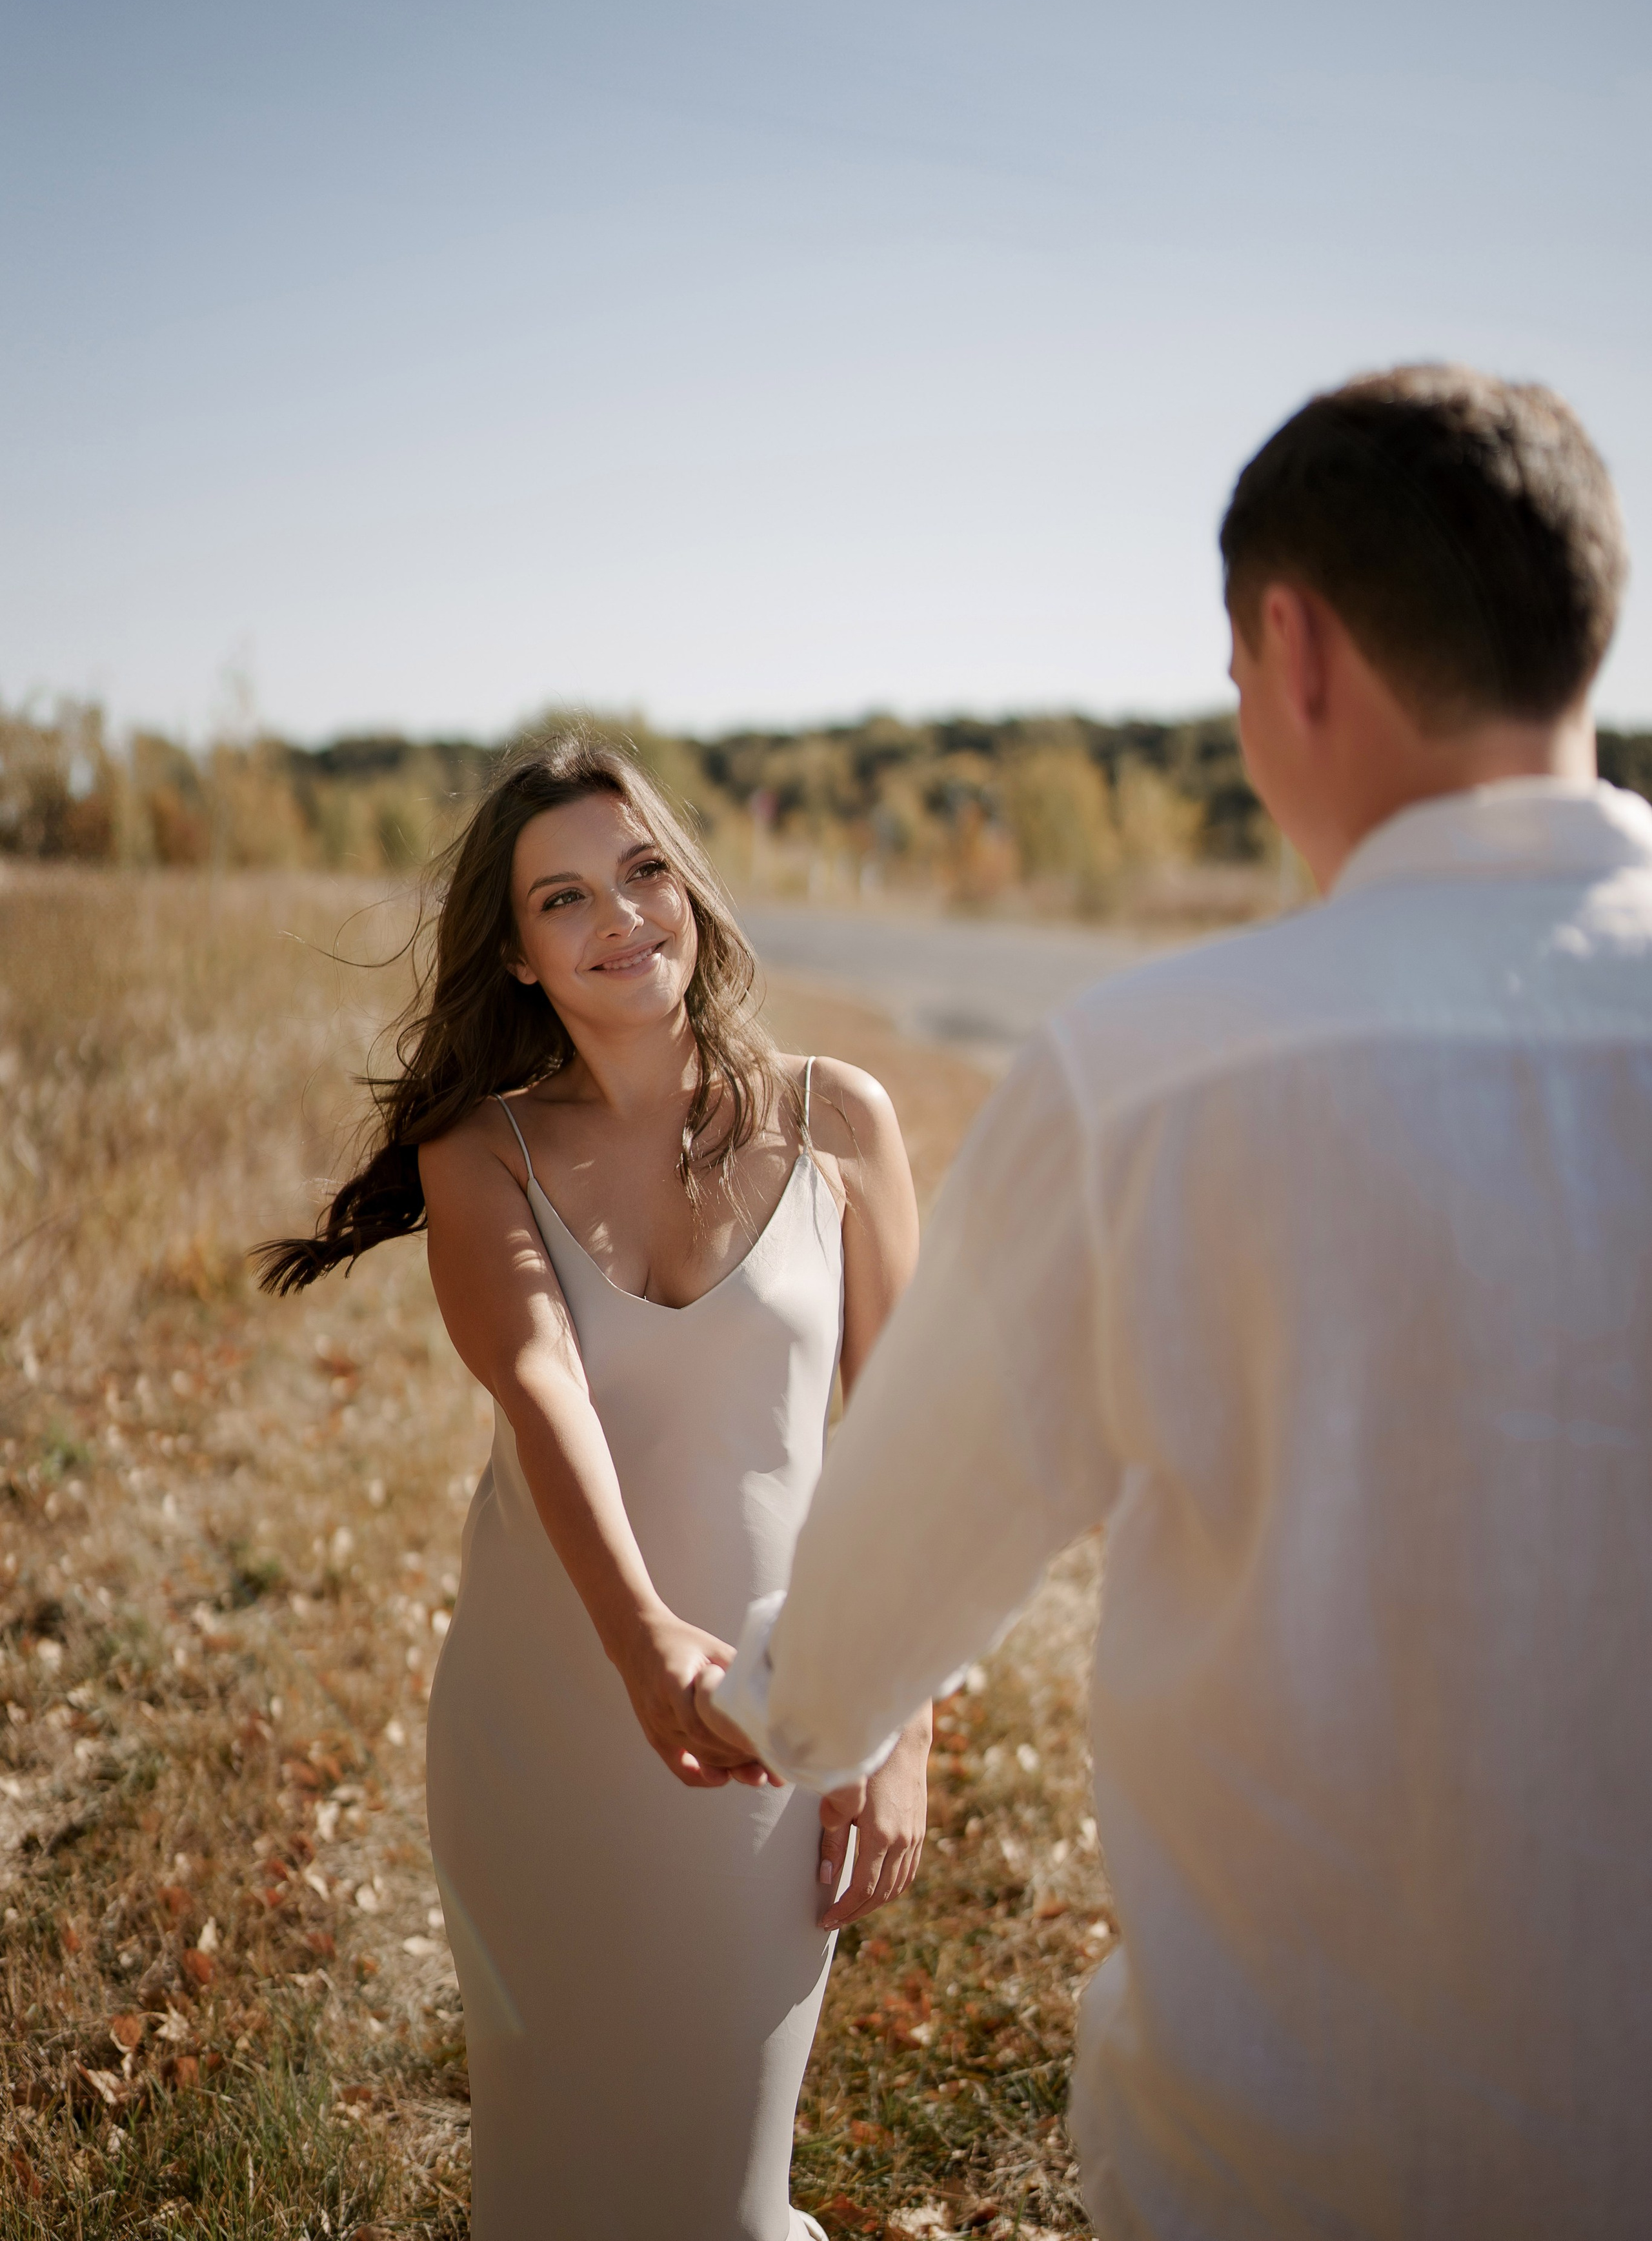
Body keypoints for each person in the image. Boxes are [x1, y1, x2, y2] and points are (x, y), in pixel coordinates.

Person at [704, 366, 1652, 2241]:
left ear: (1292, 648)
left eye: (1227, 678)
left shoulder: (1144, 1084)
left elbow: (877, 1601)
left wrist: (767, 1705)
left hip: (1291, 2157)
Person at [258, 735, 931, 2240]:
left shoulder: (840, 1121)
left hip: (768, 1730)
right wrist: (638, 1639)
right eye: (563, 899)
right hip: (546, 1725)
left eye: (642, 872)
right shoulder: (477, 1152)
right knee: (551, 2192)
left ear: (690, 887)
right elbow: (541, 1382)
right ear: (514, 952)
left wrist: (900, 1729)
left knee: (725, 2196)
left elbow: (909, 1444)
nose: (621, 917)